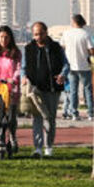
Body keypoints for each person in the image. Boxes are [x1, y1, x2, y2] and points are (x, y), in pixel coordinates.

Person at [22, 21, 67, 157]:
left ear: (46, 33)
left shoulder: (56, 47)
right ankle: (37, 148)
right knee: (37, 118)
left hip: (52, 88)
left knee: (50, 118)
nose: (38, 37)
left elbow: (66, 64)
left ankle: (49, 146)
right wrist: (23, 77)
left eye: (41, 34)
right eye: (36, 34)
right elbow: (23, 67)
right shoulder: (28, 49)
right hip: (35, 89)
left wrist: (62, 75)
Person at [61, 14, 94, 120]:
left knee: (73, 90)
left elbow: (62, 48)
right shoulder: (86, 34)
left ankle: (74, 113)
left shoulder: (66, 34)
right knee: (88, 90)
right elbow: (92, 50)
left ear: (74, 22)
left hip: (70, 66)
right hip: (84, 66)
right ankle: (90, 114)